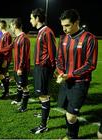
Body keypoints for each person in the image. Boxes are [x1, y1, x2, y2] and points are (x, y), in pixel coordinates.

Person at [56, 9, 98, 139]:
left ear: (76, 23)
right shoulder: (63, 38)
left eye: (67, 25)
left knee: (71, 115)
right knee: (67, 111)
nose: (64, 29)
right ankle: (70, 135)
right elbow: (59, 59)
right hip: (65, 81)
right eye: (62, 25)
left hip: (80, 83)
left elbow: (91, 64)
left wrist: (71, 74)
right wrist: (61, 72)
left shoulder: (89, 38)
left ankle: (72, 137)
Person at [0, 18, 30, 112]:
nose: (11, 28)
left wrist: (20, 68)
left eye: (11, 26)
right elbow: (8, 48)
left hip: (22, 67)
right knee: (19, 85)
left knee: (24, 86)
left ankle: (24, 107)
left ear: (15, 26)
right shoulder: (17, 37)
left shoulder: (24, 38)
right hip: (17, 66)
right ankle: (19, 100)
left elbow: (24, 56)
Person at [29, 8, 57, 134]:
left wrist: (52, 69)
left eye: (31, 18)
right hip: (39, 67)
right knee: (42, 94)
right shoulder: (41, 31)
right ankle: (44, 115)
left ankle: (43, 125)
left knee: (43, 95)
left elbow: (52, 53)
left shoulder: (47, 31)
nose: (30, 21)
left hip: (44, 68)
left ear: (37, 18)